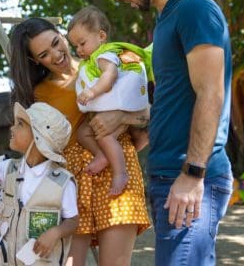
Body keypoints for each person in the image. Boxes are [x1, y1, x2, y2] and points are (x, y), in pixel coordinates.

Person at [98, 0, 233, 265]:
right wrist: (132, 127)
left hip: (188, 176)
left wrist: (192, 174)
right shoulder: (164, 21)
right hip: (165, 174)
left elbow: (211, 92)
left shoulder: (194, 10)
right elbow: (173, 101)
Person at [9, 18, 151, 266]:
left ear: (62, 35)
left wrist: (122, 119)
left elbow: (146, 114)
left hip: (117, 173)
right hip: (71, 179)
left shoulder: (103, 63)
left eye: (56, 42)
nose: (56, 54)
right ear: (35, 61)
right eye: (44, 54)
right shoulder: (38, 94)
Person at [0, 102, 79, 265]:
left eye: (20, 124)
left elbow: (73, 221)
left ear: (38, 138)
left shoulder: (62, 181)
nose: (12, 128)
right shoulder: (9, 169)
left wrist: (55, 232)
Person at [67, 5, 152, 196]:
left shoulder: (104, 55)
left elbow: (110, 76)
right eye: (75, 46)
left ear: (101, 36)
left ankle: (120, 173)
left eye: (82, 43)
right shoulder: (91, 60)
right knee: (83, 132)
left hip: (119, 109)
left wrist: (92, 91)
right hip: (111, 112)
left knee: (106, 136)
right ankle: (102, 155)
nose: (79, 50)